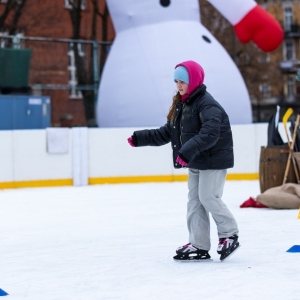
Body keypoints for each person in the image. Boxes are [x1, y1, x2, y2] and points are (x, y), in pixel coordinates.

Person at [127, 60, 239, 261]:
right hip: (196, 159)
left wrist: (186, 152)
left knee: (208, 197)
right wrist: (139, 138)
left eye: (183, 81)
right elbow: (167, 132)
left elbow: (210, 133)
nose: (179, 86)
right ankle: (199, 244)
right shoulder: (183, 104)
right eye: (176, 81)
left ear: (194, 80)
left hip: (213, 160)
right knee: (195, 201)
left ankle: (229, 233)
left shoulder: (207, 104)